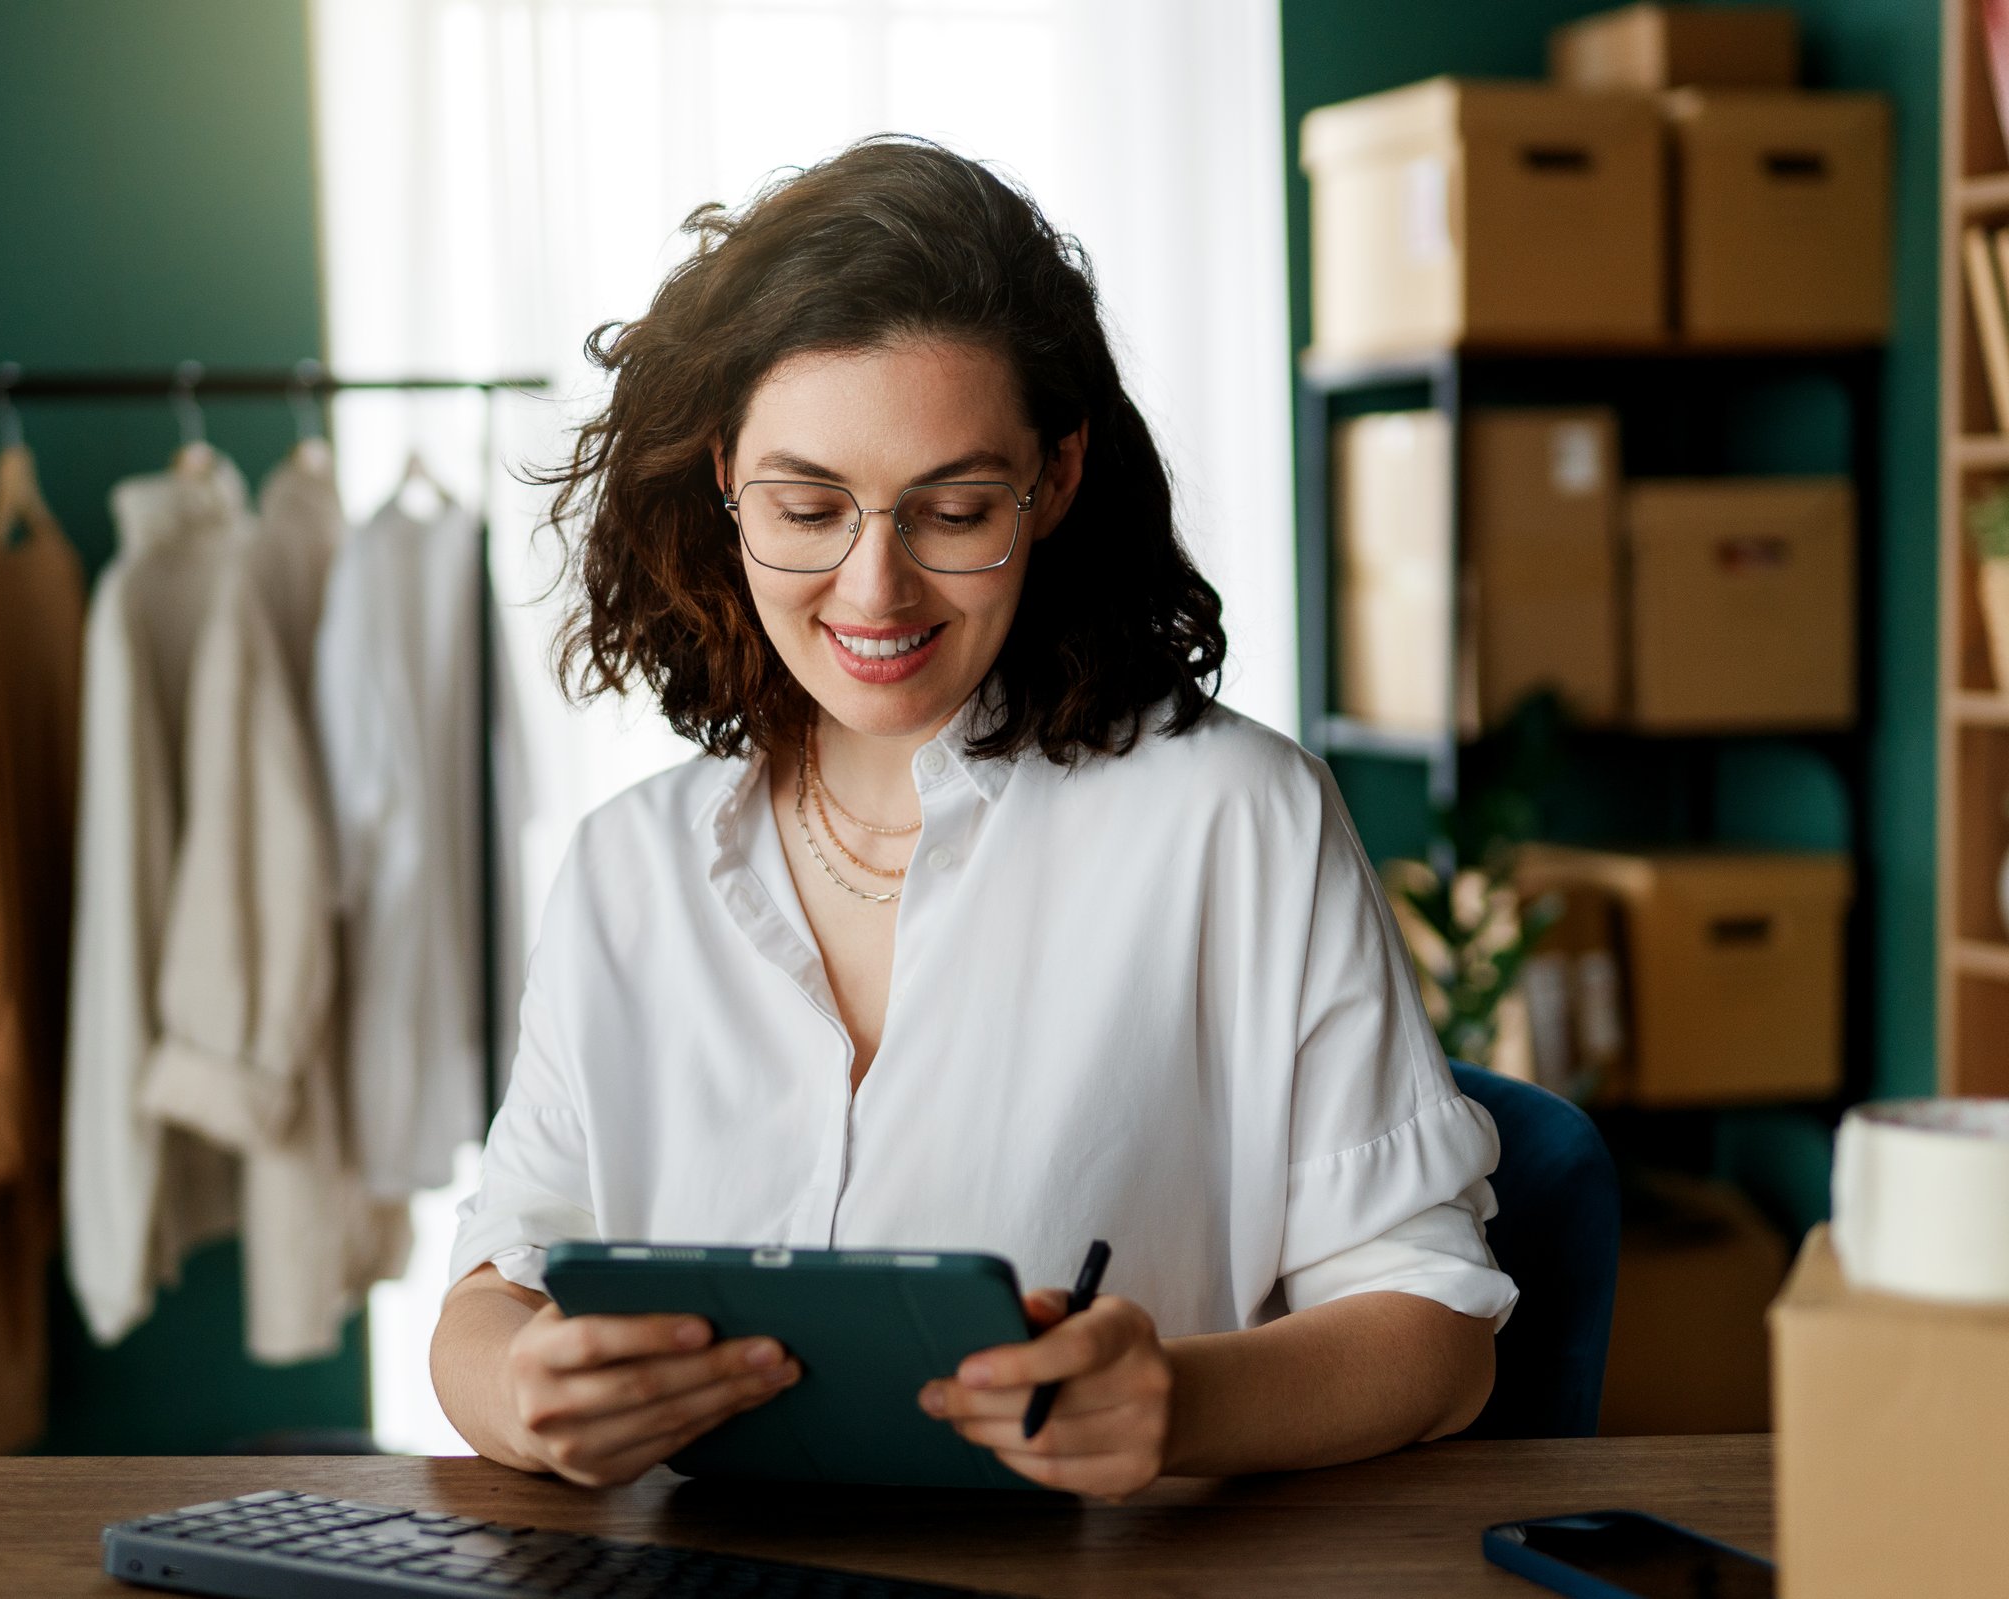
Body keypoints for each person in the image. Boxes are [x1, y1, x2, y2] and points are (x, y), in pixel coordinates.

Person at [432, 135, 1516, 1500]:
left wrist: (1176, 1404)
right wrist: (522, 1396)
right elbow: (495, 1288)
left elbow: (1437, 1332)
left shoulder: (1236, 821)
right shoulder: (628, 867)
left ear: (1053, 481)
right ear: (723, 479)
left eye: (952, 511)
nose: (873, 591)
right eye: (809, 507)